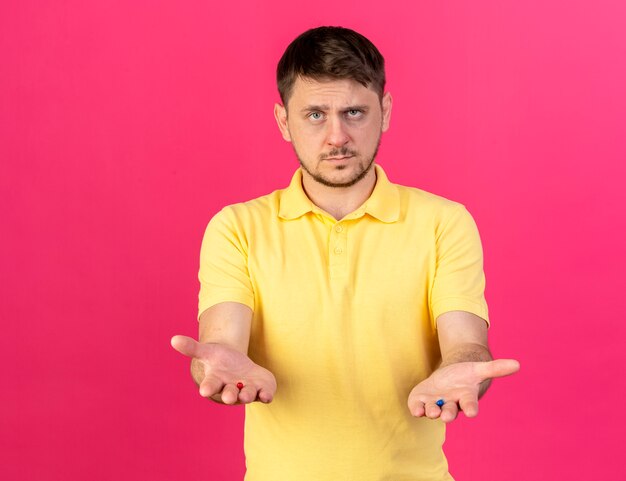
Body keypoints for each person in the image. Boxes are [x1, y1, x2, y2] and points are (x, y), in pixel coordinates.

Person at [171, 26, 520, 481]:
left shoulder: (444, 222)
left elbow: (466, 343)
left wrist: (463, 370)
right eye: (315, 115)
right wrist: (217, 367)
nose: (337, 136)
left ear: (386, 111)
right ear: (283, 122)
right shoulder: (236, 228)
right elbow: (221, 345)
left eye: (354, 111)